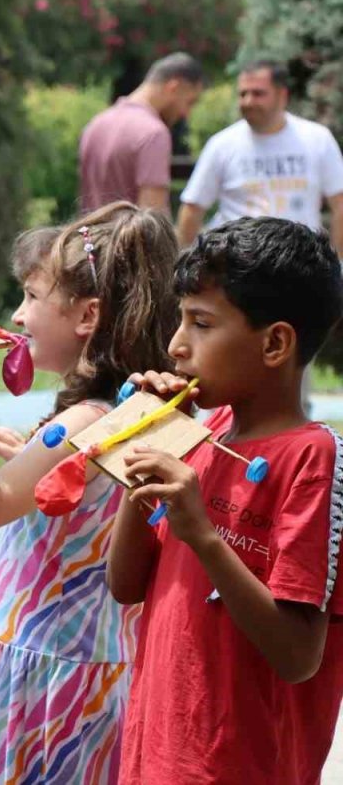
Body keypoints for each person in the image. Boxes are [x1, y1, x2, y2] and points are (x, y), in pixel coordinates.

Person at [108, 217, 343, 784]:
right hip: (156, 757)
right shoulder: (200, 435)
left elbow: (296, 655)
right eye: (181, 319)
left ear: (275, 343)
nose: (175, 345)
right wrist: (146, 441)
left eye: (202, 324)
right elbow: (125, 584)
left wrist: (205, 536)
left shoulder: (313, 460)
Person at [0, 203, 180, 783]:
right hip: (89, 669)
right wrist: (29, 459)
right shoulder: (130, 409)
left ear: (88, 315)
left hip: (51, 679)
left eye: (31, 296)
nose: (17, 313)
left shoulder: (80, 422)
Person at [177, 60, 343, 247]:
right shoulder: (222, 144)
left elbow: (340, 203)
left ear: (282, 95)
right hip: (239, 266)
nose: (248, 101)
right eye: (242, 94)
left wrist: (339, 264)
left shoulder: (317, 139)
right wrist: (184, 266)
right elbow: (193, 207)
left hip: (302, 264)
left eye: (258, 93)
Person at [79, 52, 206, 215]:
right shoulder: (153, 134)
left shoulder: (95, 125)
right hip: (127, 240)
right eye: (190, 102)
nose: (186, 114)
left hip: (91, 238)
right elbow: (152, 220)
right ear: (173, 87)